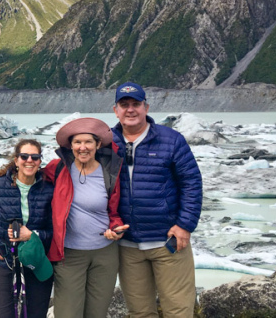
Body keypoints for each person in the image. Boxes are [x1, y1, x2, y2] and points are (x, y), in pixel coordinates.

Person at [112, 82, 203, 318]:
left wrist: (185, 225)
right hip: (128, 245)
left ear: (146, 107)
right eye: (124, 105)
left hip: (169, 242)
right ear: (116, 110)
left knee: (178, 312)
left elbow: (191, 183)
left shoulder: (171, 139)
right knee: (140, 313)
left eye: (136, 104)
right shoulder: (106, 142)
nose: (130, 110)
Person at [44, 117, 129, 317]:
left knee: (96, 313)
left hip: (105, 254)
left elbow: (114, 212)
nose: (83, 147)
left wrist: (116, 228)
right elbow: (27, 176)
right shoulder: (58, 168)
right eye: (77, 142)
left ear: (98, 144)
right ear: (71, 146)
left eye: (88, 142)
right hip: (69, 254)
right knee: (67, 313)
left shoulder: (109, 172)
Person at [0, 139, 54, 318]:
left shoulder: (48, 188)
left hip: (37, 258)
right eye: (24, 156)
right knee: (3, 312)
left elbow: (55, 229)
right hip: (5, 258)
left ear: (40, 161)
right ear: (16, 160)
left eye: (35, 157)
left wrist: (32, 235)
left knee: (36, 313)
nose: (29, 160)